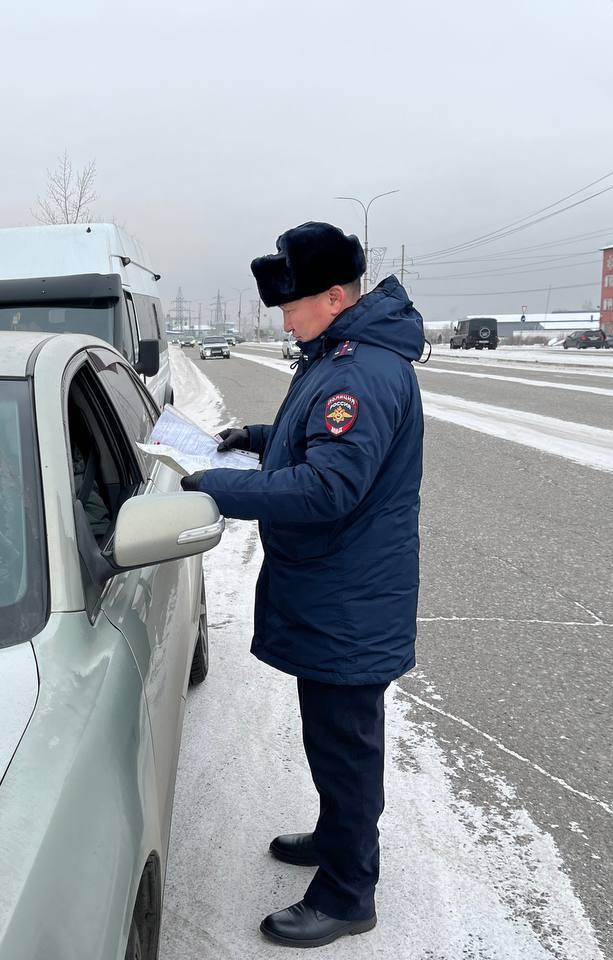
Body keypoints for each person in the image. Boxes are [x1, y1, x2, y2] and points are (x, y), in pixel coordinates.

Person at [181, 221, 425, 948]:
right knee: (335, 739)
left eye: (292, 306)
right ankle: (337, 836)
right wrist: (255, 437)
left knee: (346, 744)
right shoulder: (337, 356)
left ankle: (349, 892)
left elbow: (328, 488)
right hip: (339, 587)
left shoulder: (359, 372)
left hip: (349, 595)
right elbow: (319, 439)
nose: (283, 319)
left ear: (334, 296)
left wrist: (220, 487)